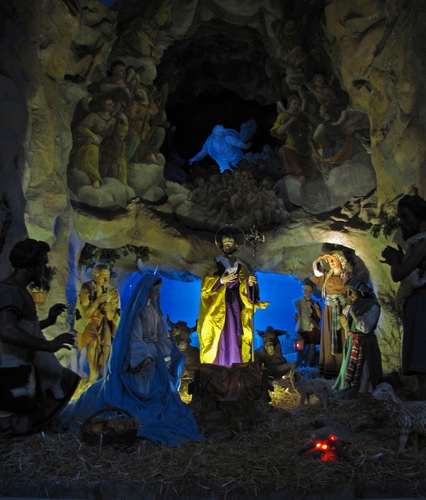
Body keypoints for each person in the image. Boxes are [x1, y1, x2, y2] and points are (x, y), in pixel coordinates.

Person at [61, 274, 203, 446]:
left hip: (154, 357)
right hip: (143, 358)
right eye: (155, 289)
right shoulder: (138, 313)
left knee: (163, 390)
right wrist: (145, 355)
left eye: (159, 290)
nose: (157, 293)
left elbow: (161, 335)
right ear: (146, 290)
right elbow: (134, 339)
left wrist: (171, 350)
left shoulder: (155, 311)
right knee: (140, 389)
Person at [0, 239, 80, 436]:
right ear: (31, 266)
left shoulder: (18, 291)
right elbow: (7, 330)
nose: (44, 269)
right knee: (14, 425)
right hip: (12, 371)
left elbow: (23, 327)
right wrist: (48, 345)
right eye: (42, 264)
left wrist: (48, 321)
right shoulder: (11, 292)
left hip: (21, 367)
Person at [197, 233, 269, 366]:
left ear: (236, 246)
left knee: (236, 335)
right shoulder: (215, 263)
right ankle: (219, 366)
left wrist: (249, 283)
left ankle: (236, 367)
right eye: (225, 244)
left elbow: (247, 288)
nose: (227, 246)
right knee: (219, 335)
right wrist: (220, 281)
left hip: (236, 305)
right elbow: (205, 285)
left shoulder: (241, 266)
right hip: (219, 306)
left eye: (230, 244)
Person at [381, 194, 426, 399]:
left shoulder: (422, 243)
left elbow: (399, 273)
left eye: (406, 217)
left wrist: (394, 261)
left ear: (420, 217)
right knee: (419, 368)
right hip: (416, 305)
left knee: (422, 363)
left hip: (422, 305)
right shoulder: (415, 244)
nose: (402, 222)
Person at [333, 276, 383, 398]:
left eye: (351, 291)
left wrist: (353, 314)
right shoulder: (354, 305)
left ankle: (363, 392)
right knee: (349, 367)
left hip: (364, 343)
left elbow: (365, 327)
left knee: (364, 370)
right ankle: (347, 387)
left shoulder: (372, 306)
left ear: (360, 291)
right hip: (352, 342)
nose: (349, 295)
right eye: (347, 292)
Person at [310, 250, 352, 378]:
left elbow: (351, 292)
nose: (331, 262)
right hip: (329, 310)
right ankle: (329, 369)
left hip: (342, 309)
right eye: (329, 261)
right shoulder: (327, 275)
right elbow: (315, 274)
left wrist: (347, 310)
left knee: (342, 335)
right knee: (329, 335)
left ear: (340, 260)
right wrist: (319, 259)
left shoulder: (346, 276)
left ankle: (342, 367)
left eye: (333, 260)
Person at [76, 264, 120, 384]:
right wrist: (98, 302)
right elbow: (87, 314)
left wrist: (108, 309)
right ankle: (93, 374)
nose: (106, 280)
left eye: (108, 277)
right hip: (90, 322)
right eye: (103, 277)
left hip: (104, 324)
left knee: (106, 348)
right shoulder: (87, 289)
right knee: (93, 342)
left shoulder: (112, 292)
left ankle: (98, 370)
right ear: (95, 277)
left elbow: (111, 317)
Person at [270, 94, 316, 183]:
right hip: (293, 143)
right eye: (294, 103)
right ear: (289, 104)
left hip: (305, 142)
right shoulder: (284, 116)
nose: (297, 106)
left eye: (298, 104)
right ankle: (300, 174)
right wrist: (290, 121)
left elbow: (311, 124)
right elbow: (278, 131)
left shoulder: (302, 115)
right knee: (284, 151)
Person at [188, 120, 256, 173]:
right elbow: (202, 152)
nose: (220, 134)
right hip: (223, 162)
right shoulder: (209, 144)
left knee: (243, 171)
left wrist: (245, 146)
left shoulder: (227, 138)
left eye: (222, 132)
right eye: (219, 132)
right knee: (227, 174)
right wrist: (194, 159)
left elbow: (237, 143)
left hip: (235, 157)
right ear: (214, 133)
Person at [293, 279, 322, 367]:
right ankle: (298, 364)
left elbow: (320, 316)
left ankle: (309, 365)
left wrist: (317, 309)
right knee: (300, 347)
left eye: (307, 289)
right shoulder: (298, 302)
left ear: (311, 290)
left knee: (312, 346)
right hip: (302, 326)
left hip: (312, 328)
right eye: (304, 289)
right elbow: (297, 314)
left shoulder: (315, 303)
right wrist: (296, 318)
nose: (305, 291)